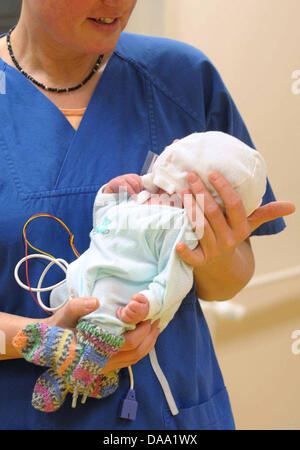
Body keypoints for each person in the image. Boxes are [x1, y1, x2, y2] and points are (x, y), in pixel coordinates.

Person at [0, 0, 295, 430]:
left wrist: (211, 251)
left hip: (172, 416)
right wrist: (41, 339)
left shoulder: (183, 77)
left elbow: (228, 282)